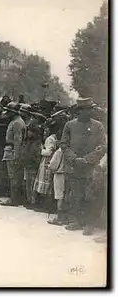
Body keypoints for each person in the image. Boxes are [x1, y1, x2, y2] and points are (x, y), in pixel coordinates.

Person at [60, 97, 106, 235]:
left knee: (90, 195)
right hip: (74, 166)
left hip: (90, 167)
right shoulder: (69, 125)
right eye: (88, 109)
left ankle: (89, 223)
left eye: (91, 108)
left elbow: (103, 146)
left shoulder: (98, 126)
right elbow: (64, 144)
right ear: (79, 111)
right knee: (74, 194)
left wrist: (87, 160)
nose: (91, 111)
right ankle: (74, 220)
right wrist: (74, 159)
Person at [1, 102, 26, 207]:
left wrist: (16, 155)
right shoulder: (16, 121)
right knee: (14, 176)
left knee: (14, 176)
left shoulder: (17, 123)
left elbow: (18, 140)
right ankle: (15, 198)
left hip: (12, 151)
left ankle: (14, 199)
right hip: (10, 150)